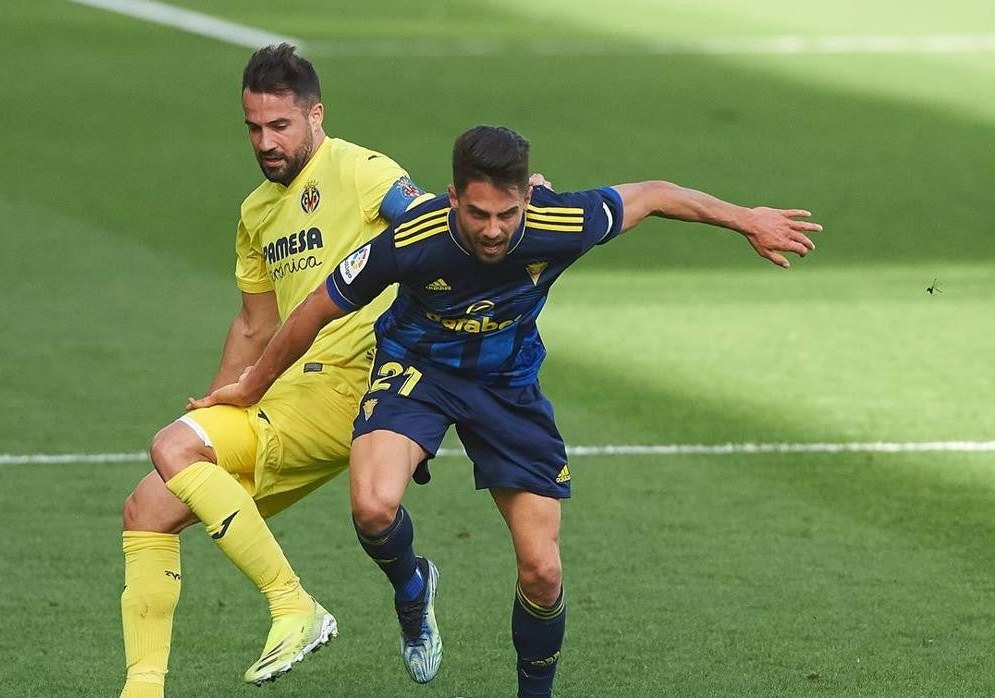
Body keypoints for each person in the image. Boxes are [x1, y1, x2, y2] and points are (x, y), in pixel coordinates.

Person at [189, 125, 822, 696]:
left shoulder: (562, 221)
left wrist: (747, 220)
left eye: (507, 214)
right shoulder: (414, 238)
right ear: (452, 197)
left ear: (528, 198)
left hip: (506, 385)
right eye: (477, 213)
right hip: (420, 370)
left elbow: (653, 193)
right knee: (374, 506)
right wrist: (248, 388)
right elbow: (314, 311)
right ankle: (413, 590)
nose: (493, 230)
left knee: (543, 571)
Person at [117, 44, 428, 697]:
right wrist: (216, 404)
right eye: (254, 128)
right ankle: (141, 690)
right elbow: (255, 325)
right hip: (287, 394)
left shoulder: (360, 170)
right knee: (148, 504)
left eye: (280, 126)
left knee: (173, 446)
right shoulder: (258, 212)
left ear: (316, 115)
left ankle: (295, 607)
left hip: (354, 382)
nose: (265, 141)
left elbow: (428, 229)